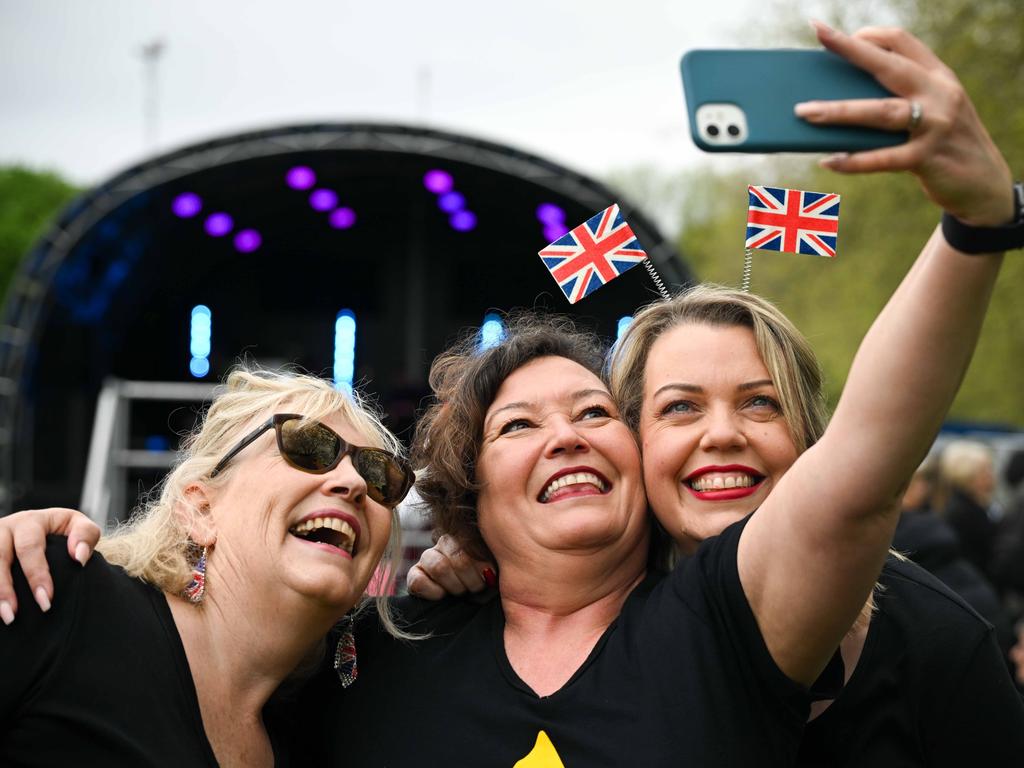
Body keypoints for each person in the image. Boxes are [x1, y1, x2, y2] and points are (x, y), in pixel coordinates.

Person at [4, 21, 1024, 766]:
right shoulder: (369, 660)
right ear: (470, 499)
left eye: (594, 415)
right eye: (518, 427)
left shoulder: (723, 626)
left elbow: (859, 468)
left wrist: (973, 229)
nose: (567, 438)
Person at [0, 366, 414, 766]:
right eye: (308, 447)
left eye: (379, 476)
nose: (356, 484)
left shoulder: (328, 729)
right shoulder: (54, 590)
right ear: (199, 510)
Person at [937, 439, 999, 576]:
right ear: (966, 475)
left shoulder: (976, 505)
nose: (991, 476)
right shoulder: (964, 512)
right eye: (985, 470)